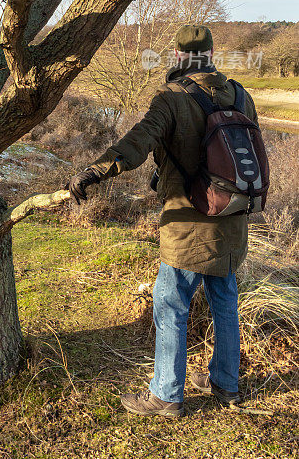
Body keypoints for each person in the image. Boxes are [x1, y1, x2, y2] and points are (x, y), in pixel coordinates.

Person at [66, 25, 259, 418]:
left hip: (188, 224)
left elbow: (137, 143)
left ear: (176, 56)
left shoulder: (172, 98)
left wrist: (94, 171)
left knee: (170, 304)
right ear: (210, 54)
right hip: (233, 216)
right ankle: (226, 383)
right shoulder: (241, 95)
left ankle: (166, 395)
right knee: (225, 301)